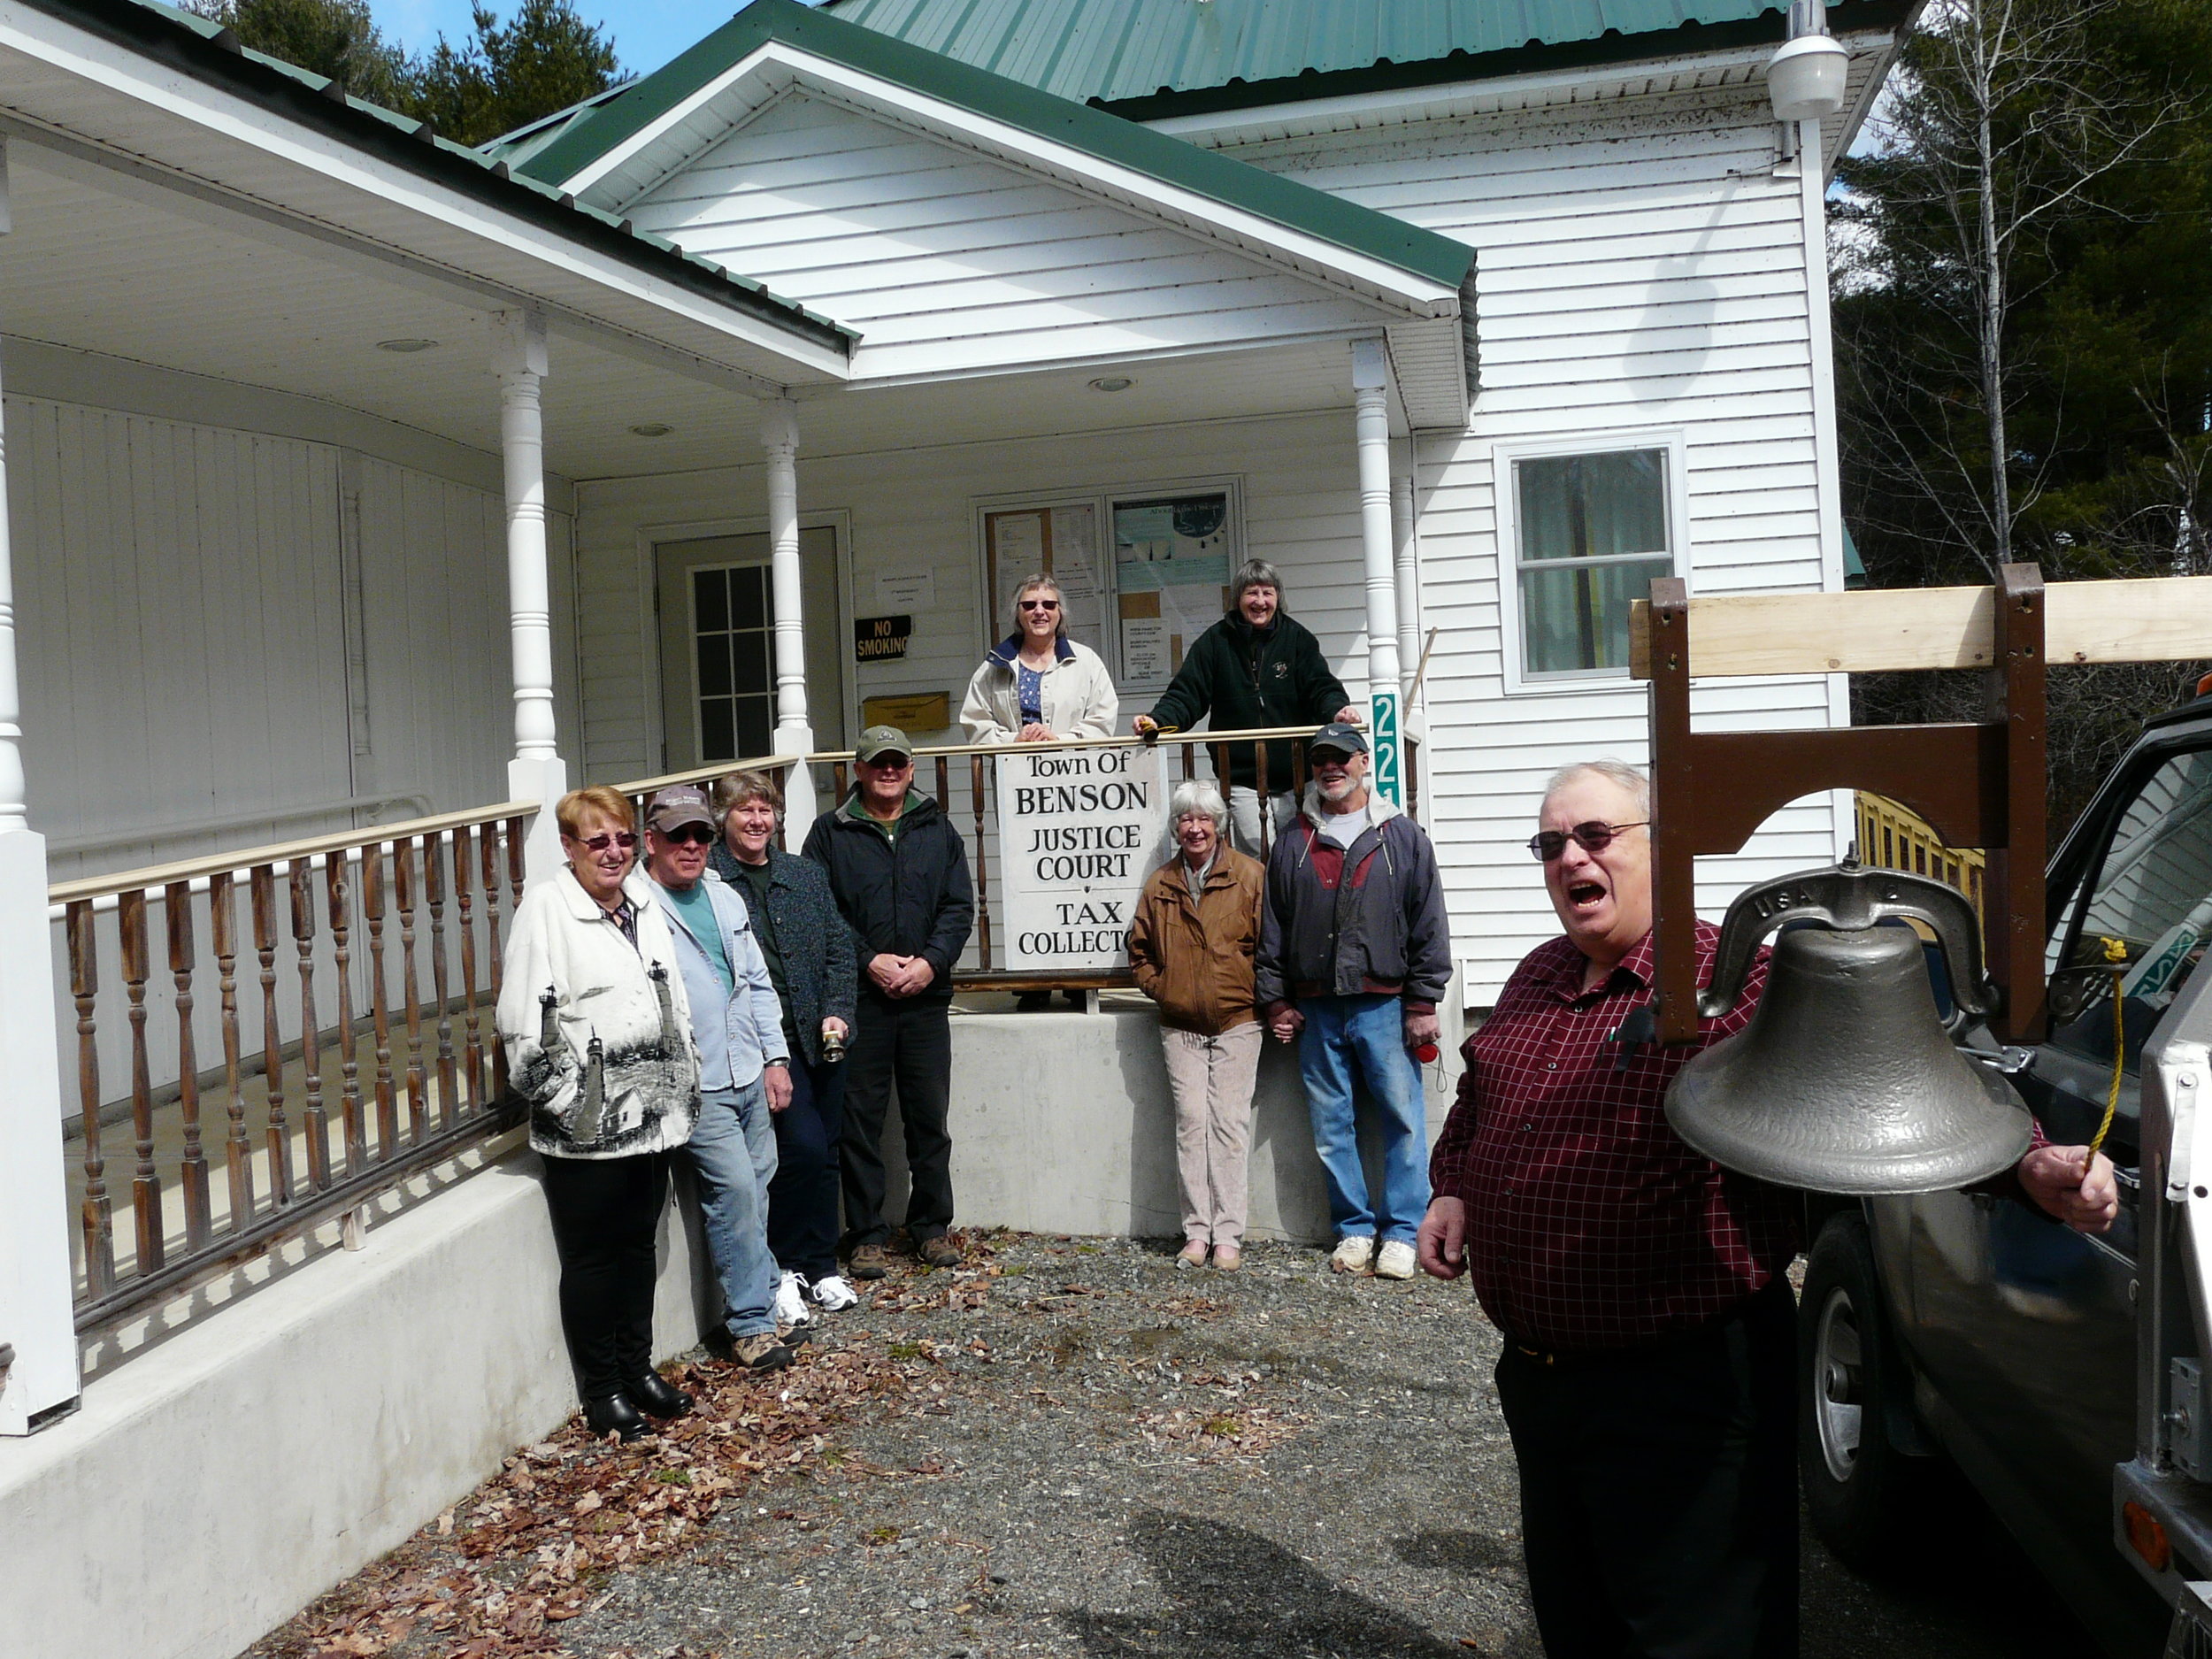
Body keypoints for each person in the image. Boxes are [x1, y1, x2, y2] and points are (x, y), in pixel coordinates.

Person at [1416, 759, 2120, 1659]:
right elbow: (1480, 1099)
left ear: (1659, 848)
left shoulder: (1735, 982)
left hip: (1681, 1390)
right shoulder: (1536, 977)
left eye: (1594, 836)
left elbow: (1886, 1090)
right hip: (1542, 1384)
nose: (1568, 859)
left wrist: (2027, 1166)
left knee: (1696, 1632)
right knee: (1577, 1620)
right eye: (1549, 843)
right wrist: (1455, 1186)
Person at [497, 786, 702, 1442]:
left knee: (639, 1247)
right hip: (589, 1131)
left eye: (621, 838)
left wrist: (680, 1081)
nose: (612, 852)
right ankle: (603, 1389)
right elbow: (523, 1025)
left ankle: (637, 1368)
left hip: (653, 1116)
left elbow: (671, 996)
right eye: (596, 841)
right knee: (594, 1262)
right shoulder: (546, 911)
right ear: (568, 847)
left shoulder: (641, 900)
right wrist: (571, 1105)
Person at [1257, 724, 1448, 1279]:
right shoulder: (1293, 842)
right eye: (1319, 760)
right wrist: (1276, 1001)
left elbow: (1428, 923)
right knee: (1331, 1125)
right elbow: (1274, 928)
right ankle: (1354, 1230)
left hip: (1386, 1007)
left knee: (1403, 1121)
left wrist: (1423, 1002)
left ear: (1365, 762)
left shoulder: (1402, 837)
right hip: (1316, 1008)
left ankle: (1403, 1234)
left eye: (1340, 758)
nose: (1330, 768)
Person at [803, 726, 975, 1277]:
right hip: (861, 1001)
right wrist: (867, 959)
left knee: (930, 1119)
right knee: (860, 1123)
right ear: (859, 770)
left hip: (925, 999)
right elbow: (821, 913)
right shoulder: (829, 833)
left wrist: (929, 963)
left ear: (911, 768)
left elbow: (958, 907)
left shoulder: (937, 828)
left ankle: (931, 1227)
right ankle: (867, 1233)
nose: (889, 771)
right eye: (879, 763)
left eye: (898, 762)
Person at [640, 784, 798, 1372]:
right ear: (650, 840)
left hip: (748, 1069)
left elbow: (755, 982)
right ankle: (752, 1325)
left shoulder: (724, 897)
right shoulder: (636, 908)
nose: (691, 845)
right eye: (678, 834)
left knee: (757, 1186)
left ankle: (761, 1304)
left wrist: (776, 1059)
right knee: (732, 1191)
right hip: (698, 1082)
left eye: (701, 834)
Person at [710, 768, 863, 1326]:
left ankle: (821, 1264)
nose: (757, 820)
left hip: (819, 1035)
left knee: (826, 1151)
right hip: (764, 1044)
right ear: (723, 818)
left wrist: (839, 1012)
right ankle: (784, 1266)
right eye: (744, 811)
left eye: (765, 810)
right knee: (795, 1150)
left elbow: (839, 953)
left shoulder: (804, 875)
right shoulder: (711, 882)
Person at [1127, 780, 1265, 1271]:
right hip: (1180, 1024)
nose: (1195, 827)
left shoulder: (1250, 876)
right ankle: (1196, 1233)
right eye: (1186, 819)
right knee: (1191, 1124)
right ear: (1176, 828)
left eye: (1204, 818)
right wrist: (1164, 989)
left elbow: (1269, 949)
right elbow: (1139, 950)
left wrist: (1261, 998)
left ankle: (1228, 1235)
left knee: (1228, 1124)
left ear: (1219, 825)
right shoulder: (1161, 883)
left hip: (1238, 1022)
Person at [1133, 560, 1359, 855]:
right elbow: (1186, 694)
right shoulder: (1215, 643)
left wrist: (1338, 711)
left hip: (1298, 777)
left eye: (1268, 593)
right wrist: (1156, 721)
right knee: (1256, 852)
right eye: (1252, 593)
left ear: (1278, 598)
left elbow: (1321, 687)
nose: (1260, 601)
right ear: (1238, 598)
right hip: (1242, 780)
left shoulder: (1298, 639)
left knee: (1301, 854)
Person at [960, 572, 1118, 745]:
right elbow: (976, 722)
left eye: (1049, 605)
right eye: (1029, 605)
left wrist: (1059, 741)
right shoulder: (995, 664)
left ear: (1060, 612)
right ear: (1017, 613)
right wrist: (1013, 741)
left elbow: (1102, 720)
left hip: (1072, 767)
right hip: (1013, 767)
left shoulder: (1087, 662)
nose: (1039, 611)